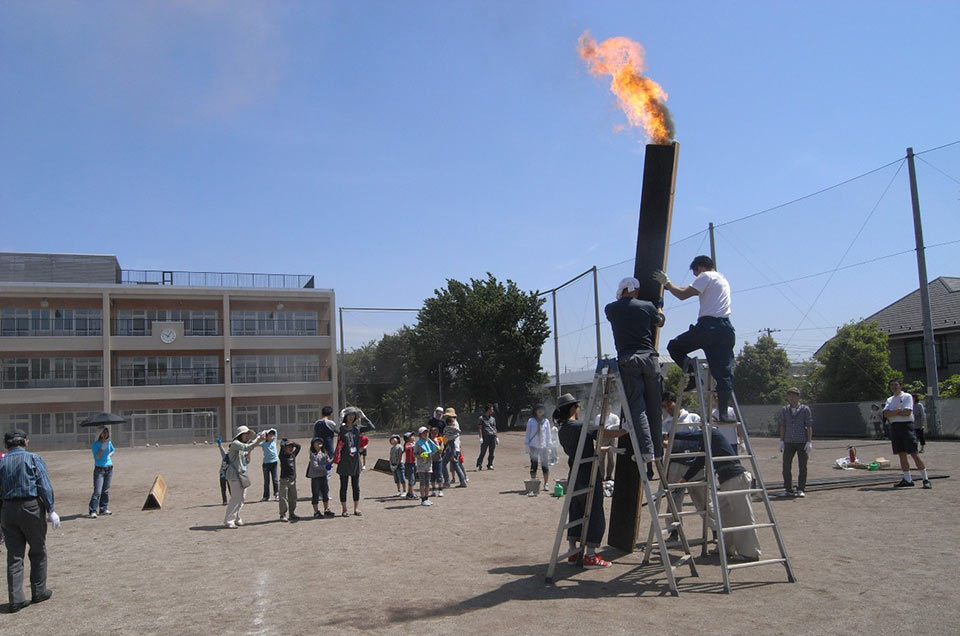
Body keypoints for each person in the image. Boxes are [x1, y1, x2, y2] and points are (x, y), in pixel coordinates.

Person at [655, 255, 736, 423]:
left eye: (695, 272)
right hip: (726, 330)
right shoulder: (722, 279)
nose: (696, 276)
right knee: (723, 374)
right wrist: (670, 287)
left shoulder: (705, 276)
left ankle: (693, 374)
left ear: (699, 267)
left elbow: (684, 294)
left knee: (675, 347)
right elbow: (687, 288)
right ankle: (723, 413)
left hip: (709, 327)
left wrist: (667, 283)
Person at [555, 393, 627, 569]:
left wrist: (608, 448)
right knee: (594, 511)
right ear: (573, 408)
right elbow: (604, 433)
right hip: (588, 473)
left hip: (575, 473)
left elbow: (582, 448)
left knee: (577, 510)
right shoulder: (580, 425)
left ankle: (573, 552)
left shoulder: (563, 429)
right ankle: (590, 555)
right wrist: (626, 430)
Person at [671, 428, 761, 562]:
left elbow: (691, 435)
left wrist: (670, 434)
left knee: (743, 515)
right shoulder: (708, 442)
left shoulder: (712, 433)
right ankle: (725, 548)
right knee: (725, 516)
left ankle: (750, 552)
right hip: (726, 481)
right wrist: (684, 478)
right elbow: (699, 462)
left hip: (735, 478)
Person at [604, 276, 665, 462]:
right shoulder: (647, 306)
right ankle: (658, 452)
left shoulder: (611, 309)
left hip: (628, 359)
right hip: (649, 358)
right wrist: (659, 306)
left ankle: (646, 451)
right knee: (655, 407)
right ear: (634, 289)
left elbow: (621, 309)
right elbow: (660, 322)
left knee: (637, 407)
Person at [0, 428, 59, 613]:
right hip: (30, 506)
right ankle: (38, 591)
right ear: (26, 442)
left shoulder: (1, 462)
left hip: (8, 509)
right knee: (38, 549)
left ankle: (16, 599)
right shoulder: (33, 459)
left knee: (14, 556)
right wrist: (51, 509)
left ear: (6, 445)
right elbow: (44, 485)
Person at [883, 379, 930, 489]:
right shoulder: (889, 399)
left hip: (906, 426)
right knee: (901, 454)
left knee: (914, 453)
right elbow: (885, 414)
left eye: (896, 385)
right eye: (892, 385)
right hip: (895, 427)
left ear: (900, 386)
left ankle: (925, 479)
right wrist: (898, 411)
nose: (894, 387)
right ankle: (907, 479)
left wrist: (893, 412)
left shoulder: (907, 396)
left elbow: (907, 412)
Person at [224, 426, 266, 528]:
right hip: (234, 476)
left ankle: (237, 518)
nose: (247, 436)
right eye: (245, 434)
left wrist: (249, 453)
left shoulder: (242, 446)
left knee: (242, 498)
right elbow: (247, 447)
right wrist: (258, 440)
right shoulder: (235, 444)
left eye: (248, 434)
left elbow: (246, 461)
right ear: (240, 435)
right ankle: (229, 520)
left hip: (242, 475)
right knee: (235, 498)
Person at [777, 387, 813, 498]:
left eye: (794, 395)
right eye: (790, 395)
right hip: (788, 441)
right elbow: (783, 425)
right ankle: (788, 489)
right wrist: (781, 440)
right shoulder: (785, 410)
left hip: (801, 441)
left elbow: (809, 426)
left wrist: (809, 441)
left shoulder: (805, 409)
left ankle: (801, 488)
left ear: (798, 397)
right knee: (786, 466)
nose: (792, 398)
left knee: (803, 466)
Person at [336, 407, 366, 516]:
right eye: (349, 415)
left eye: (353, 415)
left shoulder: (357, 429)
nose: (351, 417)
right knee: (343, 486)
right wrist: (341, 416)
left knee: (356, 486)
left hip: (355, 460)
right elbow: (335, 428)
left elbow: (372, 427)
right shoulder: (341, 429)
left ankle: (356, 508)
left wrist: (362, 415)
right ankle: (344, 509)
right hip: (344, 460)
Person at [88, 427, 115, 518]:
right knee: (97, 491)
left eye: (107, 432)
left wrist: (109, 455)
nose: (106, 434)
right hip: (99, 469)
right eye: (104, 432)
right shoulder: (95, 445)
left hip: (109, 468)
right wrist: (103, 449)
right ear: (100, 434)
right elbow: (98, 457)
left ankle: (103, 508)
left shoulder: (109, 443)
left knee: (106, 490)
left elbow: (113, 450)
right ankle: (93, 510)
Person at [524, 405, 553, 491]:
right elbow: (528, 433)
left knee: (545, 466)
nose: (540, 412)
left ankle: (546, 483)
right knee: (534, 465)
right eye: (538, 410)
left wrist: (549, 446)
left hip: (543, 446)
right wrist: (526, 445)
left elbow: (548, 434)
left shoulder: (546, 421)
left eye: (542, 410)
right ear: (535, 411)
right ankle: (534, 483)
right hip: (533, 446)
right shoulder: (531, 421)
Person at [306, 438, 334, 518]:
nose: (319, 444)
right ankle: (316, 511)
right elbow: (315, 466)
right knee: (315, 494)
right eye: (317, 443)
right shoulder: (313, 454)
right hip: (315, 477)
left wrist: (334, 458)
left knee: (325, 493)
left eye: (320, 443)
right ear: (313, 445)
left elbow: (328, 461)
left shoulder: (324, 453)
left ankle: (326, 509)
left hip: (323, 476)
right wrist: (326, 467)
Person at [415, 427, 440, 507]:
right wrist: (420, 455)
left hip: (429, 465)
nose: (426, 434)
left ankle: (426, 498)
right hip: (421, 466)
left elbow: (432, 451)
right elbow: (414, 454)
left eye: (427, 432)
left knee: (427, 483)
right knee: (422, 483)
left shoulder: (428, 442)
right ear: (420, 434)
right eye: (424, 433)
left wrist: (436, 448)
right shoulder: (418, 443)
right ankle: (422, 499)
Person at [442, 409, 468, 487]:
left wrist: (446, 443)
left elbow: (450, 436)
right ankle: (462, 481)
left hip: (452, 447)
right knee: (456, 465)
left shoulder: (453, 424)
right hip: (454, 447)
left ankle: (447, 482)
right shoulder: (453, 424)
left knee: (443, 464)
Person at [277, 438, 301, 522]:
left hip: (292, 480)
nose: (291, 448)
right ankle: (282, 514)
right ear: (285, 448)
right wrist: (284, 442)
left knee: (293, 498)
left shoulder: (293, 455)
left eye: (292, 447)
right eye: (288, 447)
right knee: (283, 498)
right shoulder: (282, 456)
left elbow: (299, 446)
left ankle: (292, 513)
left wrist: (292, 442)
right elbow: (282, 445)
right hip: (284, 480)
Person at [476, 404, 498, 470]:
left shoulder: (493, 419)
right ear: (488, 410)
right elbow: (480, 428)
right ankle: (479, 464)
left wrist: (496, 437)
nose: (493, 411)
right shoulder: (481, 418)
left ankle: (490, 464)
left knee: (492, 452)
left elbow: (494, 428)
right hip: (485, 437)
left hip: (492, 437)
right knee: (483, 452)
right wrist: (480, 437)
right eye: (492, 409)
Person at [260, 428, 279, 502]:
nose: (272, 436)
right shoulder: (263, 443)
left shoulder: (274, 441)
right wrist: (263, 432)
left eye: (272, 435)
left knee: (275, 480)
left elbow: (275, 430)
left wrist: (268, 430)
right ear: (266, 436)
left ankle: (276, 494)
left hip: (274, 462)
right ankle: (266, 496)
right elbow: (256, 441)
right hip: (266, 464)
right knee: (266, 481)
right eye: (270, 435)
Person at [428, 427, 444, 498]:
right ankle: (433, 490)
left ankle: (440, 490)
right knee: (432, 476)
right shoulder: (428, 441)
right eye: (432, 433)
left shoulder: (440, 440)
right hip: (430, 460)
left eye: (435, 433)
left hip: (438, 460)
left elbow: (441, 450)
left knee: (439, 475)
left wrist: (437, 445)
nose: (434, 434)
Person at [402, 432, 417, 499]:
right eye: (411, 436)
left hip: (413, 463)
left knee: (413, 479)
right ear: (407, 439)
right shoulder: (407, 444)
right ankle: (411, 493)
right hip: (409, 464)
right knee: (411, 479)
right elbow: (407, 447)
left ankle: (409, 492)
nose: (413, 437)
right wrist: (414, 445)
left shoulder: (413, 443)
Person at [216, 437, 230, 505]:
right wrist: (220, 444)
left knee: (231, 488)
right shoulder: (226, 455)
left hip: (230, 475)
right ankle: (224, 501)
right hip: (222, 474)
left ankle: (233, 499)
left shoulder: (235, 457)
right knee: (223, 488)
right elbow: (222, 450)